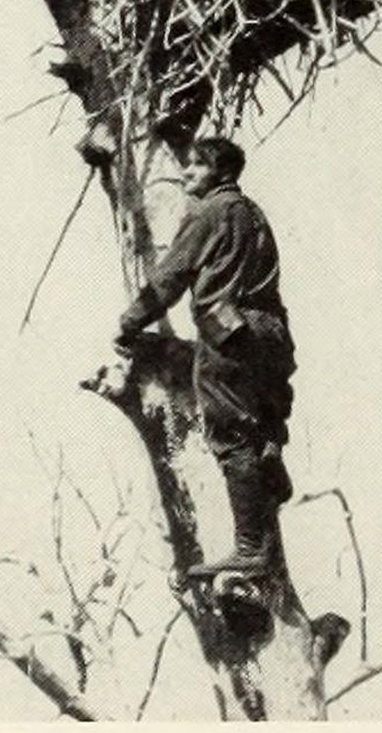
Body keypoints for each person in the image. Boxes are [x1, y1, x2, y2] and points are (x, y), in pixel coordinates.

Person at [114, 137, 296, 578]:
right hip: (272, 331)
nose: (187, 172)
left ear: (221, 172)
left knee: (229, 433)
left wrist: (130, 322)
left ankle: (250, 549)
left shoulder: (207, 212)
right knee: (262, 425)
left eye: (197, 165)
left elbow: (171, 277)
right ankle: (270, 453)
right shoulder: (254, 213)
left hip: (228, 330)